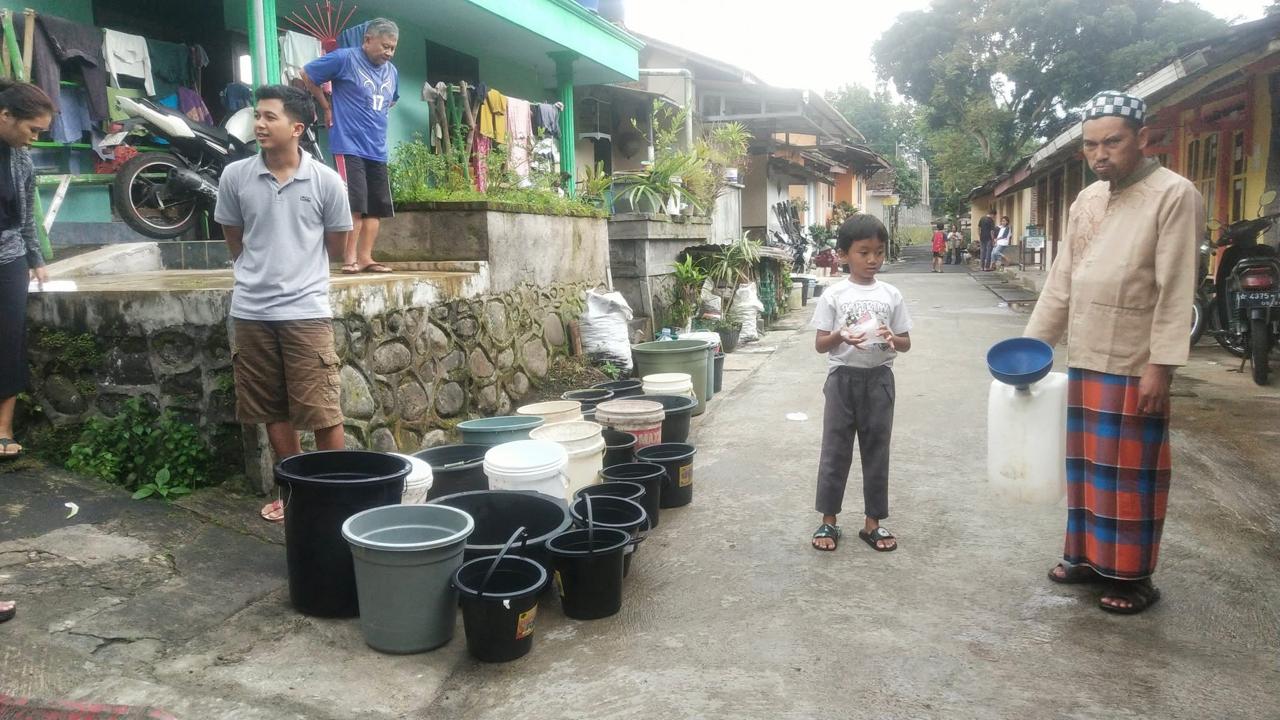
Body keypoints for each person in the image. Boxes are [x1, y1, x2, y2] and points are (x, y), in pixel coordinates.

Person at [1025, 90, 1202, 614]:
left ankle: (1132, 577)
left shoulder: (1174, 194)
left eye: (1112, 142)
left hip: (1134, 361)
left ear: (1142, 139)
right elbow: (1063, 280)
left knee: (1129, 473)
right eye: (1090, 145)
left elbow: (1175, 288)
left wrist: (1161, 367)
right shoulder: (1087, 199)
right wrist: (1031, 350)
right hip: (1086, 355)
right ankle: (1084, 559)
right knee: (1084, 467)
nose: (1099, 154)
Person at [215, 85, 353, 522]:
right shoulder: (235, 176)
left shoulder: (327, 182)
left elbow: (335, 244)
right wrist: (256, 274)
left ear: (297, 127)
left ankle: (335, 493)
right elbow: (234, 239)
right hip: (251, 312)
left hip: (305, 312)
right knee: (272, 409)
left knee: (322, 410)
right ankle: (292, 495)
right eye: (257, 115)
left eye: (270, 117)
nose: (259, 124)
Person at [809, 214, 913, 552]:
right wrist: (841, 334)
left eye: (879, 252)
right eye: (863, 252)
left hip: (880, 380)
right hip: (842, 380)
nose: (872, 260)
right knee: (835, 452)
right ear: (843, 255)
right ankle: (829, 522)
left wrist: (892, 337)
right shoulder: (834, 294)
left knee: (876, 452)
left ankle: (873, 524)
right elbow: (821, 344)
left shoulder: (891, 294)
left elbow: (906, 342)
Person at [0, 79, 55, 625]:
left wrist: (36, 257)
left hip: (8, 259)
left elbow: (25, 211)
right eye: (32, 130)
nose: (35, 140)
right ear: (5, 115)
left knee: (9, 345)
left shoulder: (18, 159)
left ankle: (4, 431)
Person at [301, 17, 399, 275]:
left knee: (376, 208)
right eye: (384, 46)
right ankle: (350, 259)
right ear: (367, 40)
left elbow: (392, 100)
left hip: (377, 148)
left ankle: (366, 258)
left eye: (393, 48)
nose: (389, 52)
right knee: (355, 205)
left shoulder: (392, 72)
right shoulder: (345, 58)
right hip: (349, 144)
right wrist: (326, 107)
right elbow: (307, 73)